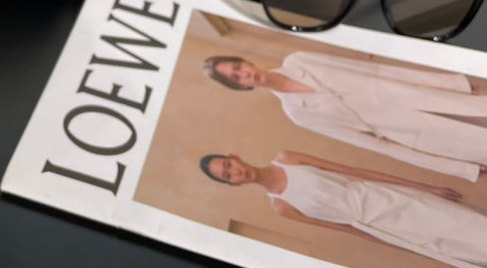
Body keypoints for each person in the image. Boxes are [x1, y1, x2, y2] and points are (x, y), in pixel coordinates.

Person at [203, 51, 487, 182]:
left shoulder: (299, 60)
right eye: (237, 78)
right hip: (419, 134)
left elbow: (376, 71)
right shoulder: (297, 113)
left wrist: (451, 84)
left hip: (423, 97)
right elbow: (377, 145)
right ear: (241, 87)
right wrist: (462, 169)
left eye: (238, 67)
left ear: (245, 61)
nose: (245, 74)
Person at [200, 149, 487, 268]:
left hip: (388, 198)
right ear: (232, 185)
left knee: (465, 222)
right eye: (228, 176)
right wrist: (414, 249)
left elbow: (356, 172)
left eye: (229, 165)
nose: (236, 172)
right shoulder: (281, 207)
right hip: (380, 226)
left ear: (234, 157)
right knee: (456, 248)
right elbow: (348, 230)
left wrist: (427, 188)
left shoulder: (287, 158)